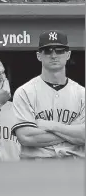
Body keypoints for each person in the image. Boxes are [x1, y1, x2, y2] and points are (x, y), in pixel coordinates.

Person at [12, 30, 85, 160]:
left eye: (59, 50)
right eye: (48, 50)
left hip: (74, 168)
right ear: (39, 55)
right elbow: (26, 137)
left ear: (68, 55)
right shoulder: (24, 92)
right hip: (37, 168)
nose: (53, 55)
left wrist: (50, 126)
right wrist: (72, 132)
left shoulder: (82, 94)